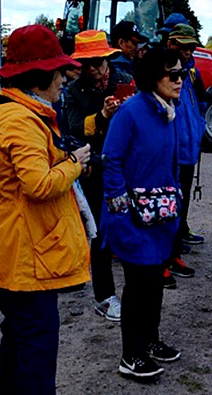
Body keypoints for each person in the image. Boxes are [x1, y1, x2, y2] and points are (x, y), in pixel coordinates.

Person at [0, 24, 92, 394]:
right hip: (24, 260)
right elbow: (39, 185)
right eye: (59, 71)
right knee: (36, 345)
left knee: (20, 339)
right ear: (40, 75)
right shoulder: (20, 120)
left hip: (22, 257)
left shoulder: (23, 114)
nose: (63, 79)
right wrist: (74, 163)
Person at [101, 44, 186, 380]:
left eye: (181, 73)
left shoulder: (168, 111)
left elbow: (169, 163)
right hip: (133, 220)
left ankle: (150, 340)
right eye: (172, 74)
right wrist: (120, 211)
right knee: (138, 285)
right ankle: (131, 355)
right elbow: (111, 161)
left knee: (154, 282)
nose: (180, 80)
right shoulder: (130, 113)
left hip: (160, 218)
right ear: (152, 77)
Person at [62, 30, 134, 322]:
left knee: (130, 226)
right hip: (95, 167)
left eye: (97, 61)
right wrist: (103, 116)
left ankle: (136, 292)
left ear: (107, 59)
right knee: (99, 234)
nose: (91, 68)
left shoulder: (126, 79)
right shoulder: (74, 90)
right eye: (85, 63)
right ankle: (105, 297)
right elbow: (74, 127)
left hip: (127, 164)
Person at [163, 23, 207, 286]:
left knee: (182, 204)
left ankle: (175, 252)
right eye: (184, 46)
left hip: (189, 149)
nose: (188, 51)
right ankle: (163, 260)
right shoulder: (165, 74)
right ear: (172, 44)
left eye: (191, 47)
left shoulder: (190, 74)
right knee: (167, 206)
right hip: (171, 152)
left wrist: (200, 126)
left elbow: (200, 103)